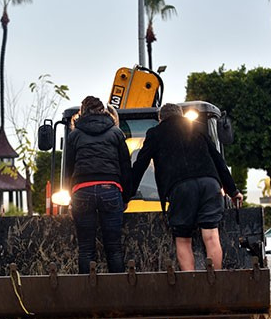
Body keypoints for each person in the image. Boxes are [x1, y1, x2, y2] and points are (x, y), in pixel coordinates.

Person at [131, 103, 243, 271]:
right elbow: (218, 160)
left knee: (183, 239)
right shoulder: (197, 129)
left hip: (180, 188)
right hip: (210, 184)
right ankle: (216, 282)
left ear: (160, 119)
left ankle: (191, 284)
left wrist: (127, 194)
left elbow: (140, 165)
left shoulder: (155, 134)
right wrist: (233, 191)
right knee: (211, 236)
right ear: (181, 115)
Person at [65, 96, 132, 274]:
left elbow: (68, 168)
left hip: (82, 190)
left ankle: (86, 296)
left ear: (83, 111)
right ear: (103, 111)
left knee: (86, 249)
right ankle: (119, 295)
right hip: (110, 189)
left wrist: (70, 196)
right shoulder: (116, 133)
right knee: (114, 248)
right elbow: (125, 166)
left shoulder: (74, 135)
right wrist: (126, 197)